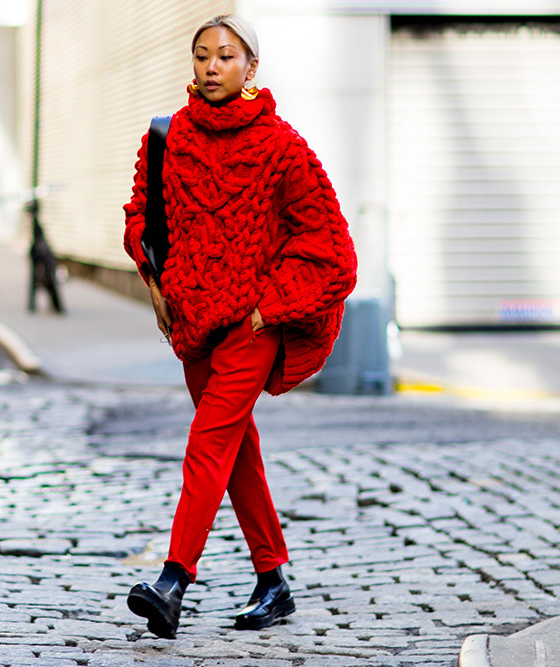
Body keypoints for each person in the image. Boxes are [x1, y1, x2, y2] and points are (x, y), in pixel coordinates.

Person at [122, 15, 357, 639]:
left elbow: (332, 249)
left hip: (255, 322)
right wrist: (154, 287)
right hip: (192, 320)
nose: (211, 65)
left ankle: (173, 579)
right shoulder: (167, 136)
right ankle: (273, 578)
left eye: (226, 55)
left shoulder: (283, 146)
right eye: (202, 55)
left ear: (251, 67)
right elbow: (143, 216)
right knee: (235, 449)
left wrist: (268, 310)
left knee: (208, 443)